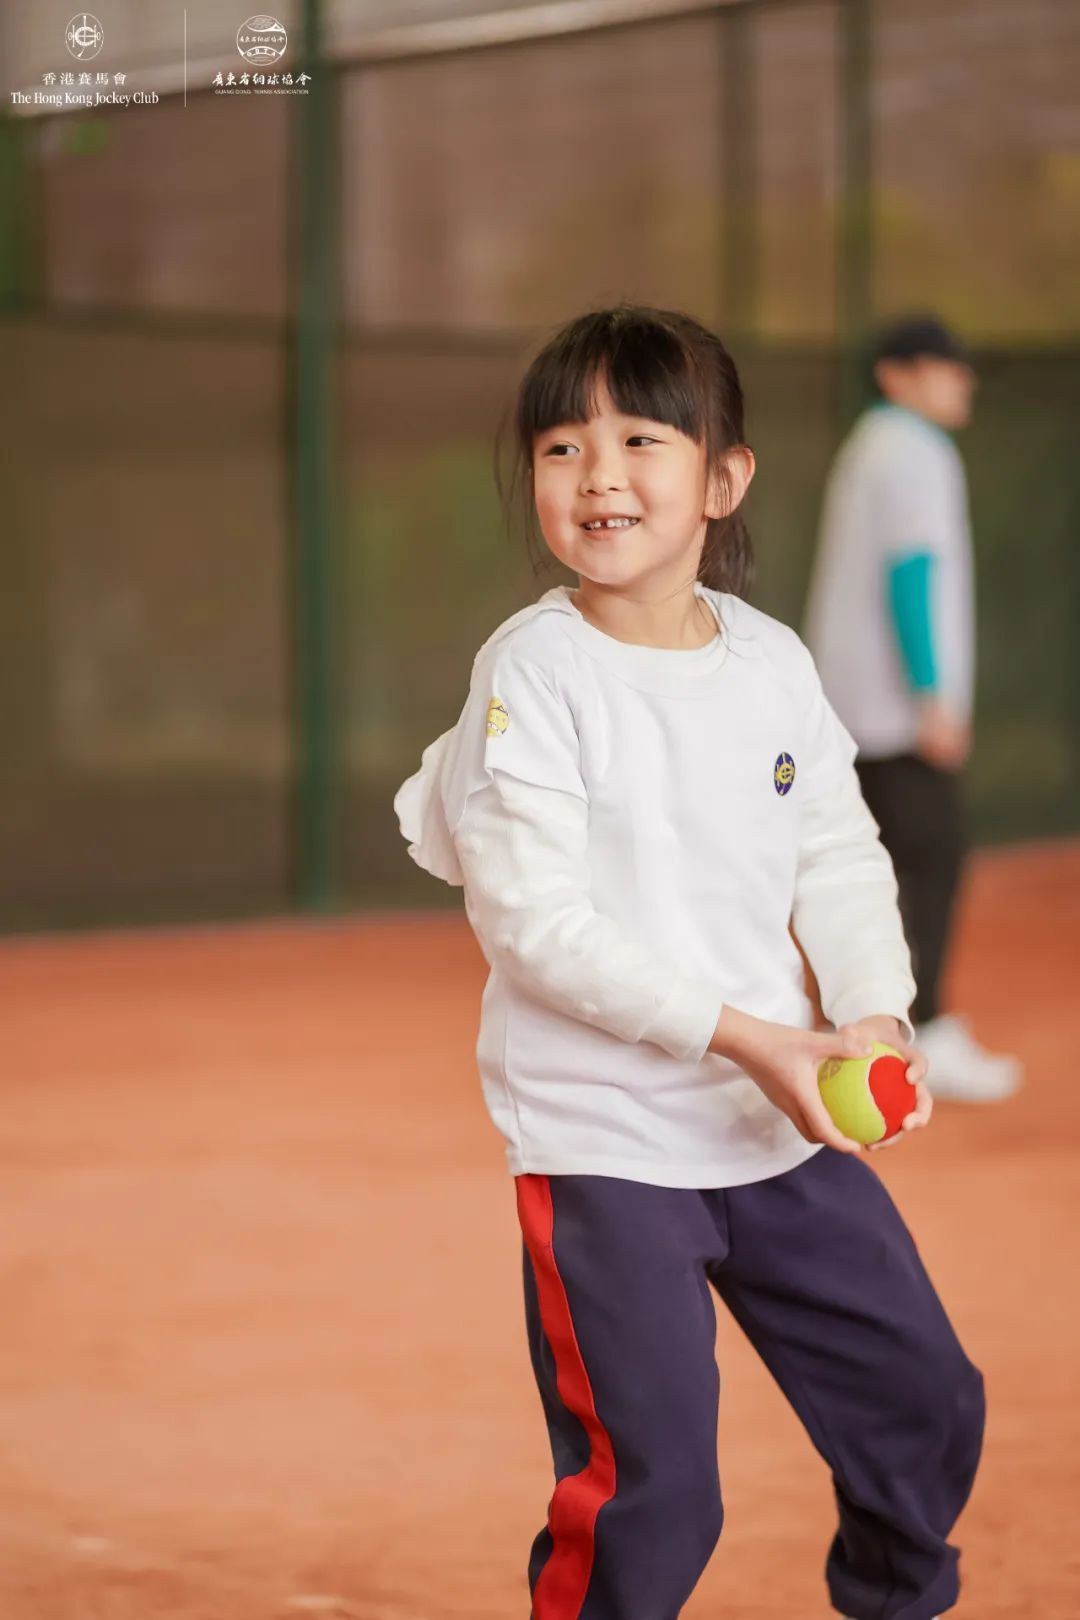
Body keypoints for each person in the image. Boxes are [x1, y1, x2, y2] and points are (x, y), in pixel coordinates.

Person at [395, 307, 984, 1620]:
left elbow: (835, 849)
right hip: (606, 1144)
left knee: (924, 1400)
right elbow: (538, 928)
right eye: (562, 446)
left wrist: (874, 1013)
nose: (597, 473)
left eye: (639, 440)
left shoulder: (772, 662)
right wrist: (758, 1042)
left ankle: (895, 1600)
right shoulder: (535, 672)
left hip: (772, 1128)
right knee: (654, 1492)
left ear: (723, 479)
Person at [805, 314, 1021, 1102]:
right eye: (943, 365)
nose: (962, 379)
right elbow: (912, 573)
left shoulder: (870, 446)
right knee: (933, 859)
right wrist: (933, 695)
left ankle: (861, 1028)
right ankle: (923, 1028)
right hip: (894, 712)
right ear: (897, 375)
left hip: (851, 709)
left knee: (867, 868)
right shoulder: (914, 450)